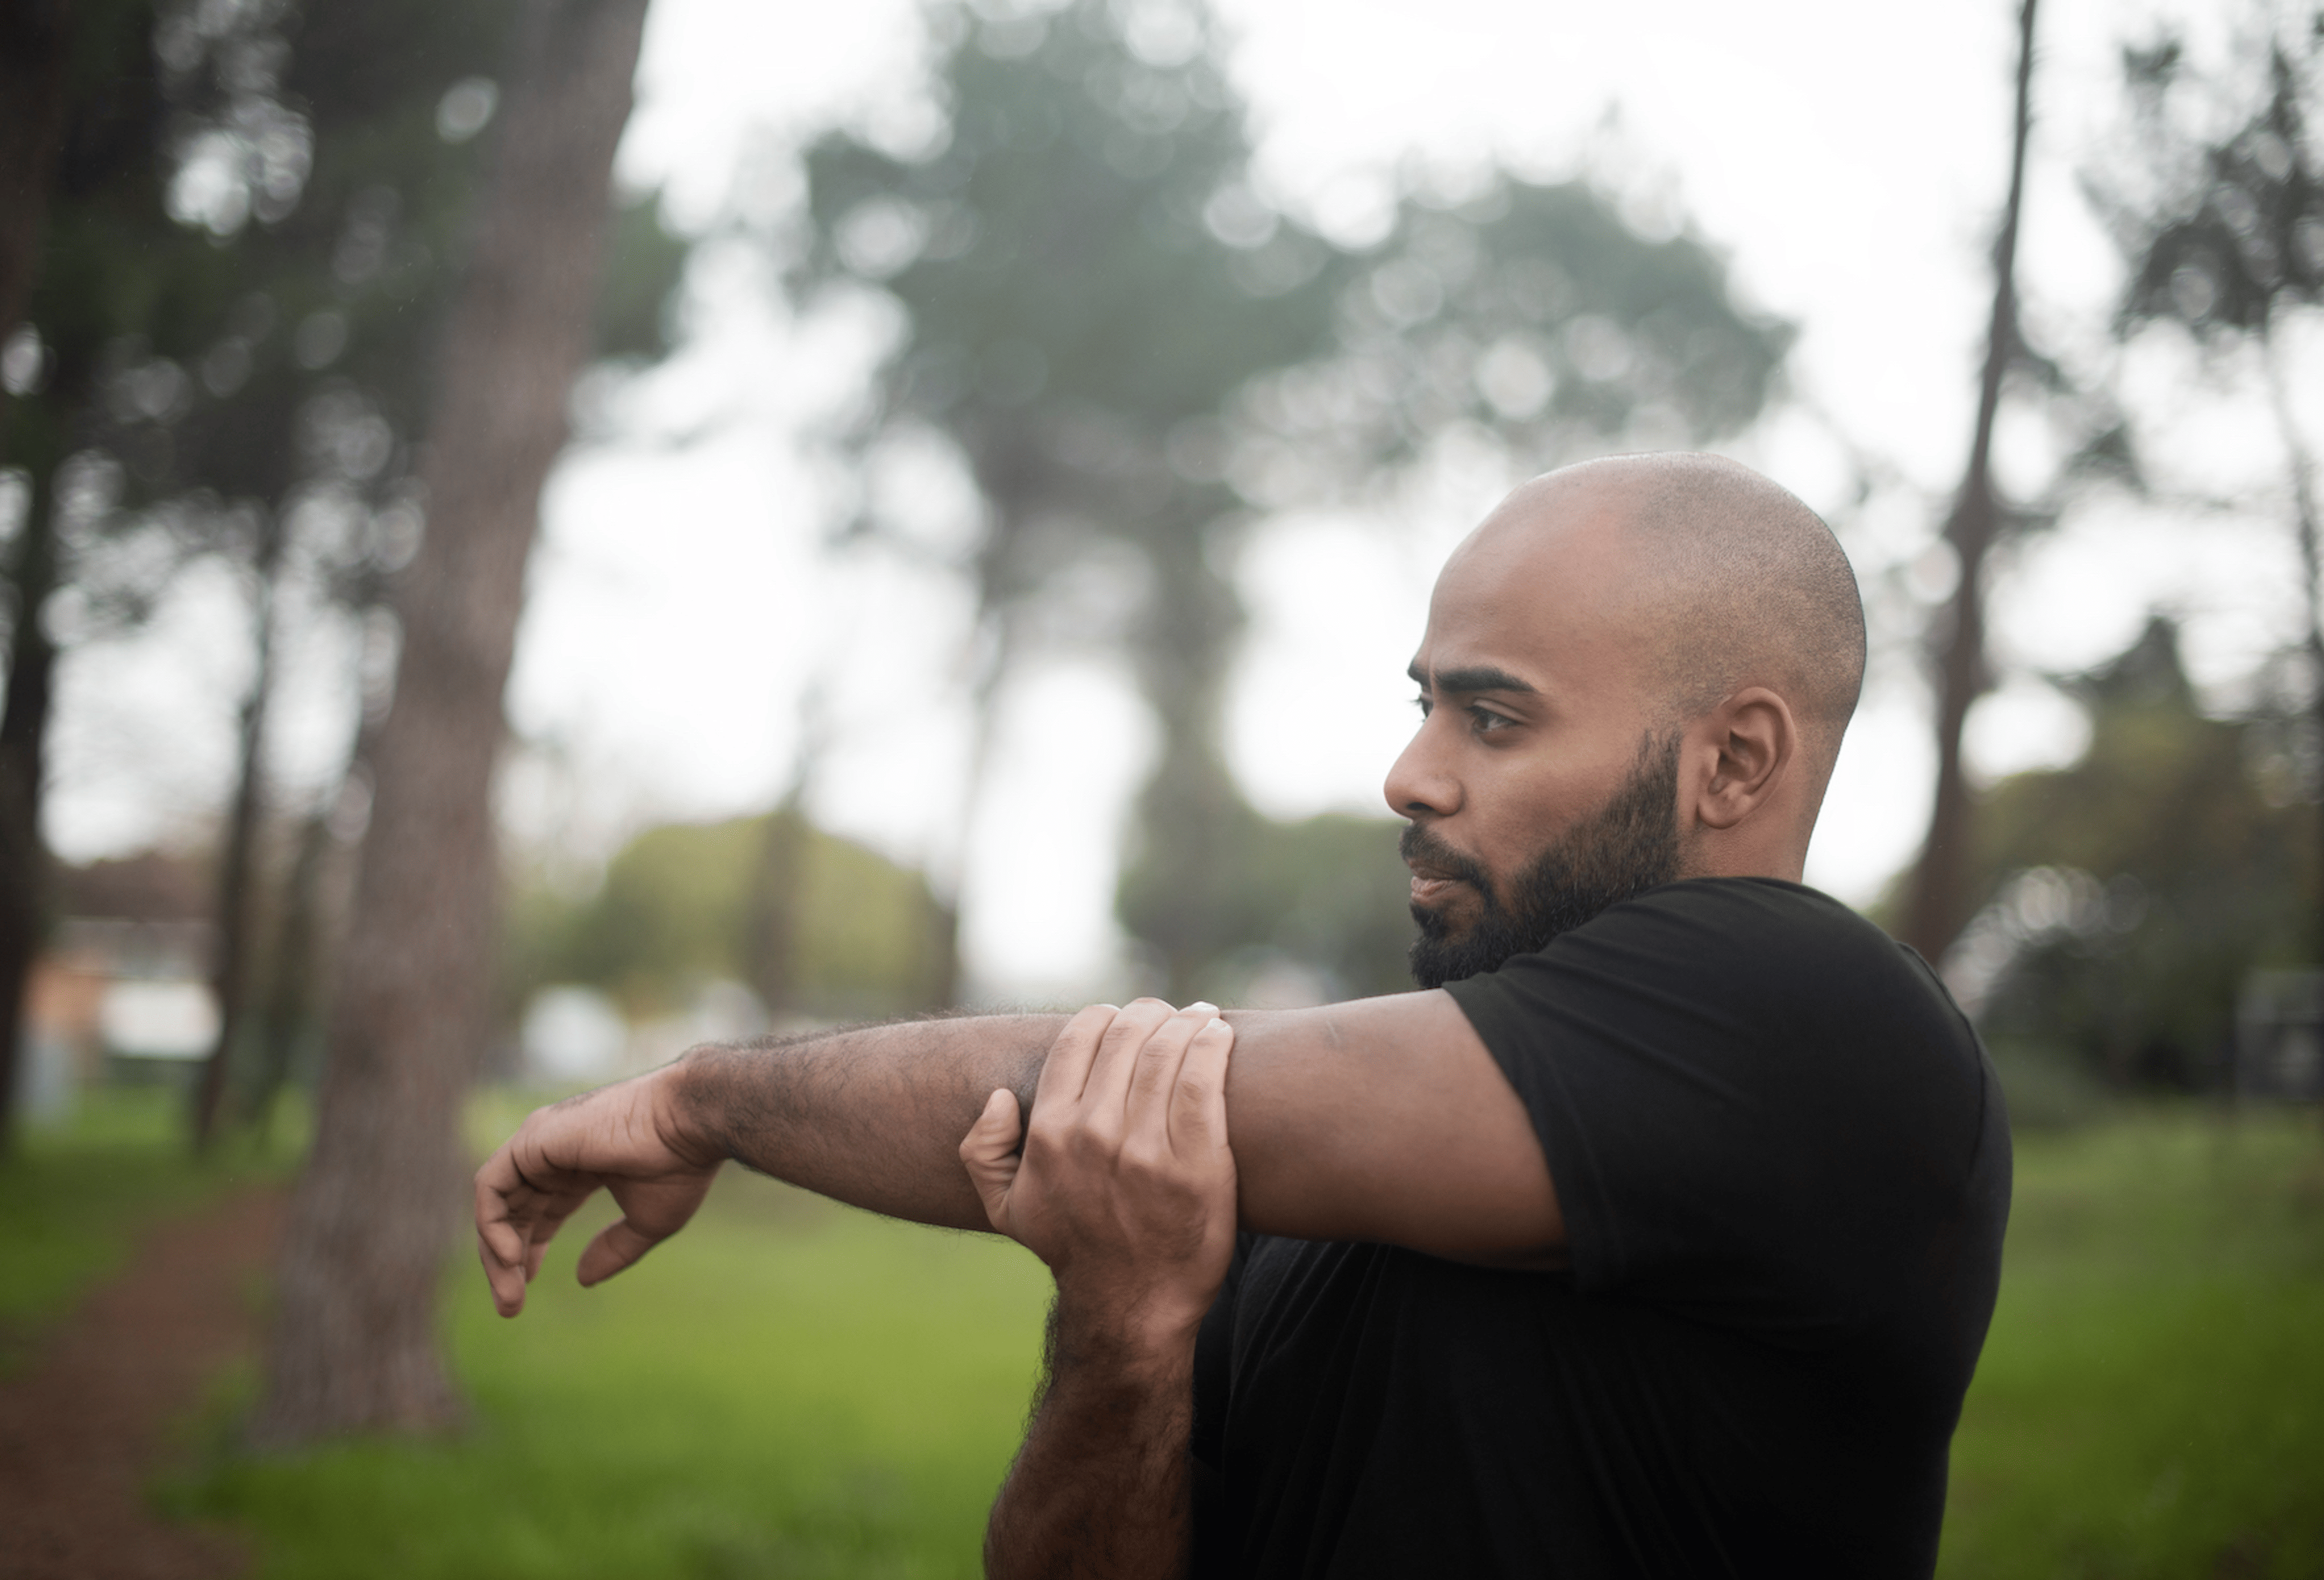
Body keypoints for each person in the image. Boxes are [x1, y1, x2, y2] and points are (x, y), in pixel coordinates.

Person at [473, 452, 2010, 1578]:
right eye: (1422, 704)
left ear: (1736, 761)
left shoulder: (1816, 1019)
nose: (1411, 773)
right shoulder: (1327, 1169)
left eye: (1492, 712)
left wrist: (700, 1103)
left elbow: (1095, 1080)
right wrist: (1124, 1339)